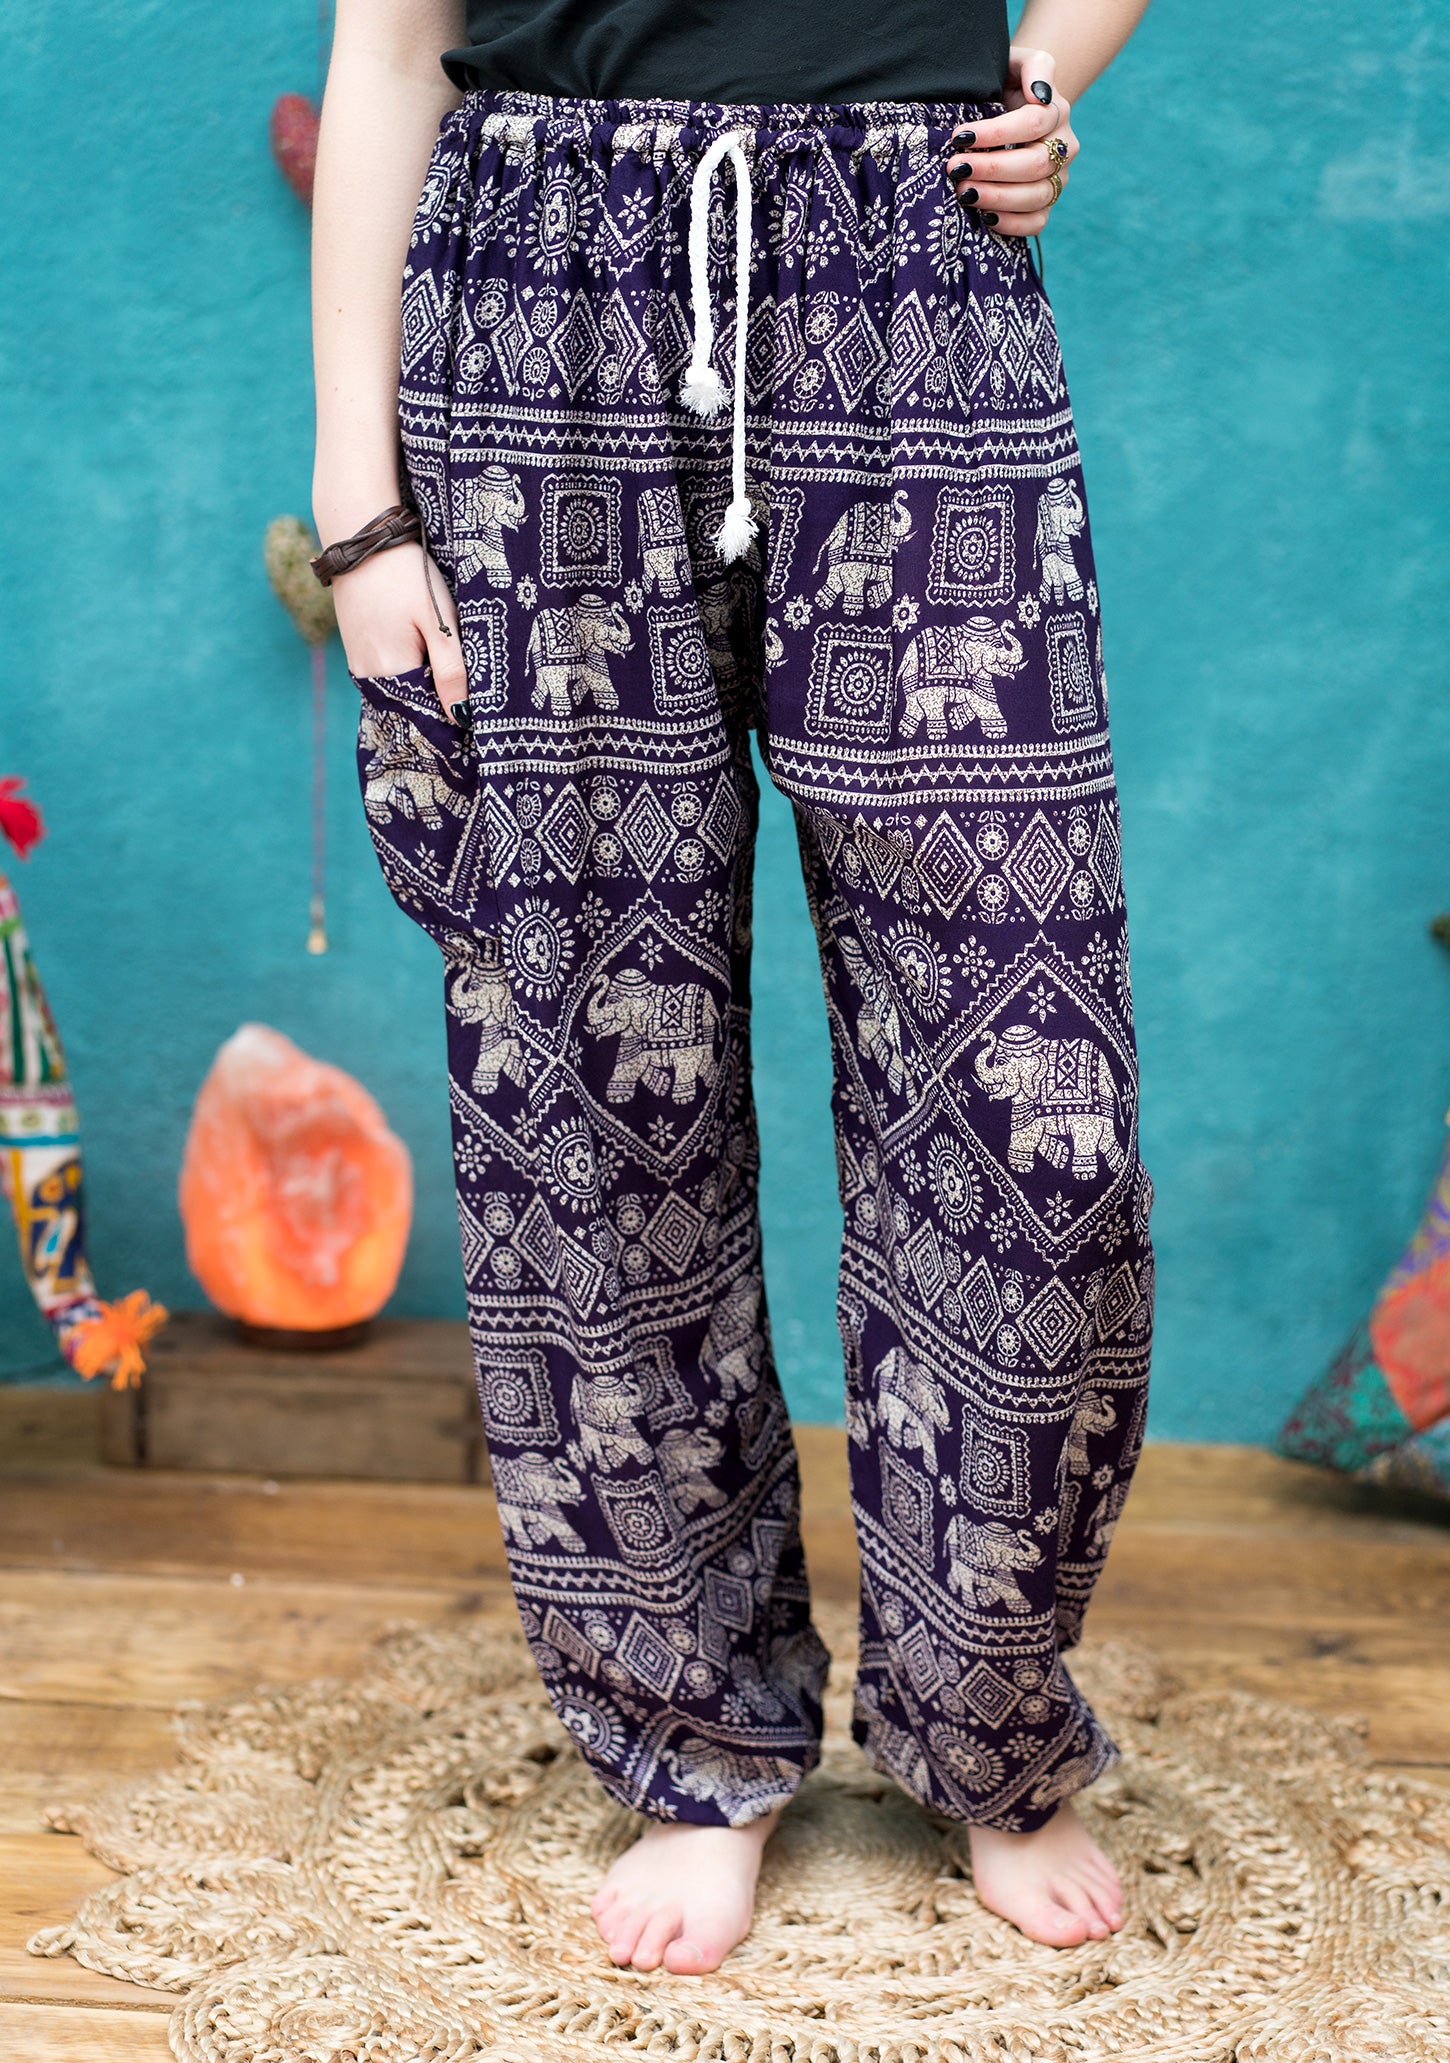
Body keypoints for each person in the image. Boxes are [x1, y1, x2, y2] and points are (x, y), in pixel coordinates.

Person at [312, 0, 1156, 1980]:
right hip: (541, 305)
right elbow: (388, 44)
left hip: (911, 275)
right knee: (584, 1069)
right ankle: (694, 1739)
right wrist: (361, 508)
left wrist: (1045, 74)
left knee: (1029, 1098)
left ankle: (984, 1718)